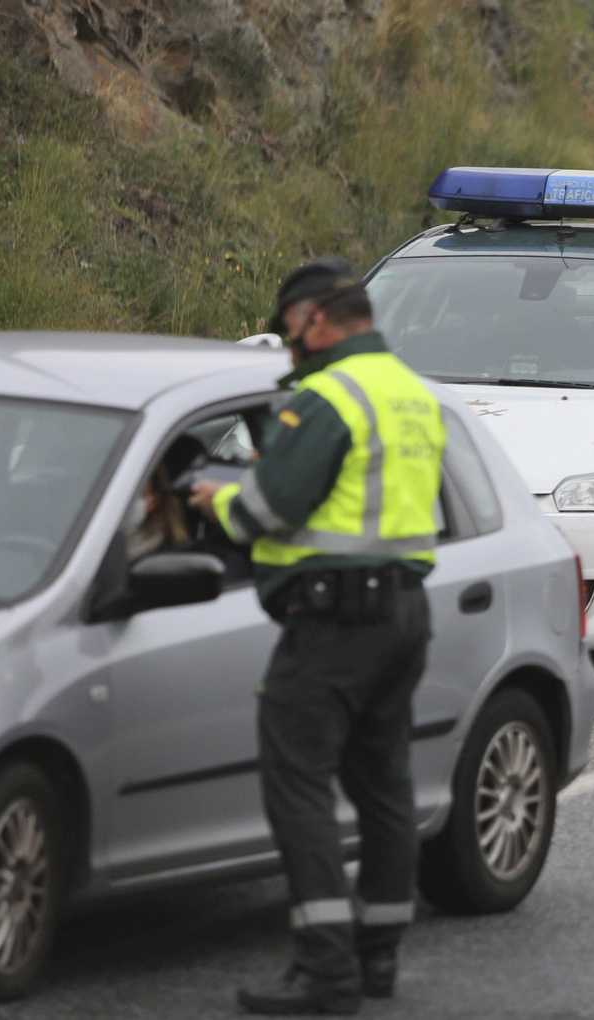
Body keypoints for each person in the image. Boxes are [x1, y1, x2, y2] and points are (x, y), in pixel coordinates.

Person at [190, 257, 446, 1014]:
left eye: (289, 330)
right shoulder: (411, 393)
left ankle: (325, 967)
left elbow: (269, 511)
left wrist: (214, 502)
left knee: (298, 786)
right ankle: (377, 958)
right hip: (404, 612)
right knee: (383, 786)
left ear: (315, 320)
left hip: (335, 623)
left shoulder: (330, 395)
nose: (289, 345)